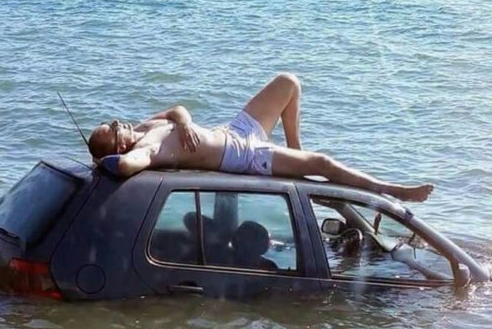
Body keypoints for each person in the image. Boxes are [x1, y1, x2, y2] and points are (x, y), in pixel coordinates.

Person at [88, 73, 434, 202]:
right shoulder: (145, 149)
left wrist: (184, 121)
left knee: (289, 83)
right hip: (246, 156)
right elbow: (126, 166)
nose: (119, 123)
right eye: (114, 130)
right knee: (323, 163)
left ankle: (297, 156)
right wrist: (105, 161)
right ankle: (393, 190)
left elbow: (176, 109)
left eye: (112, 121)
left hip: (235, 131)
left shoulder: (142, 128)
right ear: (119, 145)